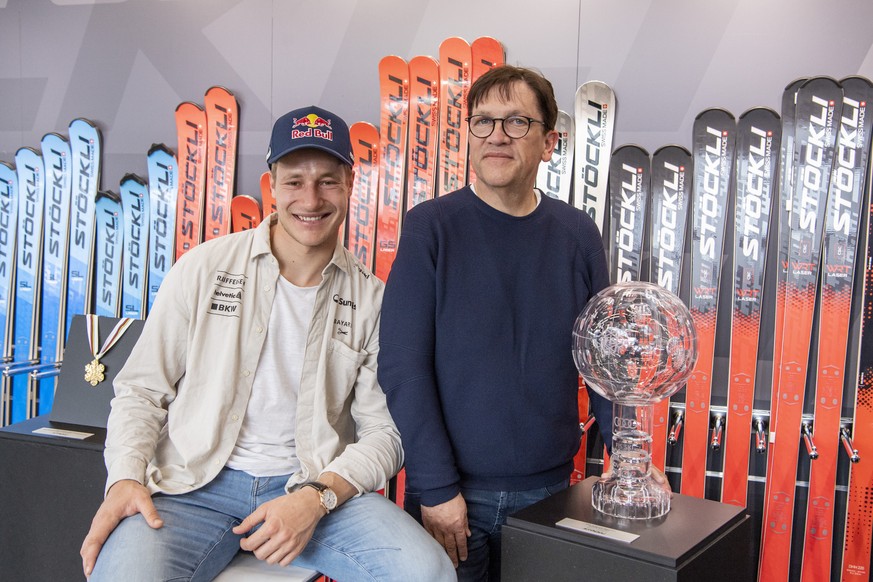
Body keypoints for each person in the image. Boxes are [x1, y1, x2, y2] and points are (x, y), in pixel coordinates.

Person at [79, 105, 455, 582]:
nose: (311, 198)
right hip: (191, 490)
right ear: (272, 184)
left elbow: (385, 433)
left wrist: (316, 498)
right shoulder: (204, 268)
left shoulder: (373, 300)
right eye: (295, 181)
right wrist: (127, 477)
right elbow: (142, 390)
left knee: (426, 573)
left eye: (327, 181)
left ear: (350, 185)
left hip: (312, 489)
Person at [377, 65, 670, 581]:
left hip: (550, 492)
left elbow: (603, 360)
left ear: (549, 141)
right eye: (483, 122)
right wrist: (438, 485)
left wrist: (630, 459)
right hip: (448, 495)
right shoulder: (431, 228)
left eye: (516, 122)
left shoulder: (577, 234)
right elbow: (403, 367)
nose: (496, 136)